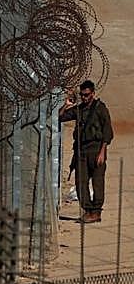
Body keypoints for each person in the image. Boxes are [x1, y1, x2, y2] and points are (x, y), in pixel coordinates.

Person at [59, 80, 114, 223]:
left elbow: (108, 132)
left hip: (96, 150)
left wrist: (102, 152)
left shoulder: (100, 109)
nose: (84, 98)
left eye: (87, 95)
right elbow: (60, 117)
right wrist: (67, 104)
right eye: (82, 95)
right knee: (80, 182)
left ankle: (96, 212)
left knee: (97, 182)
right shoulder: (79, 109)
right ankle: (88, 210)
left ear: (93, 93)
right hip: (82, 151)